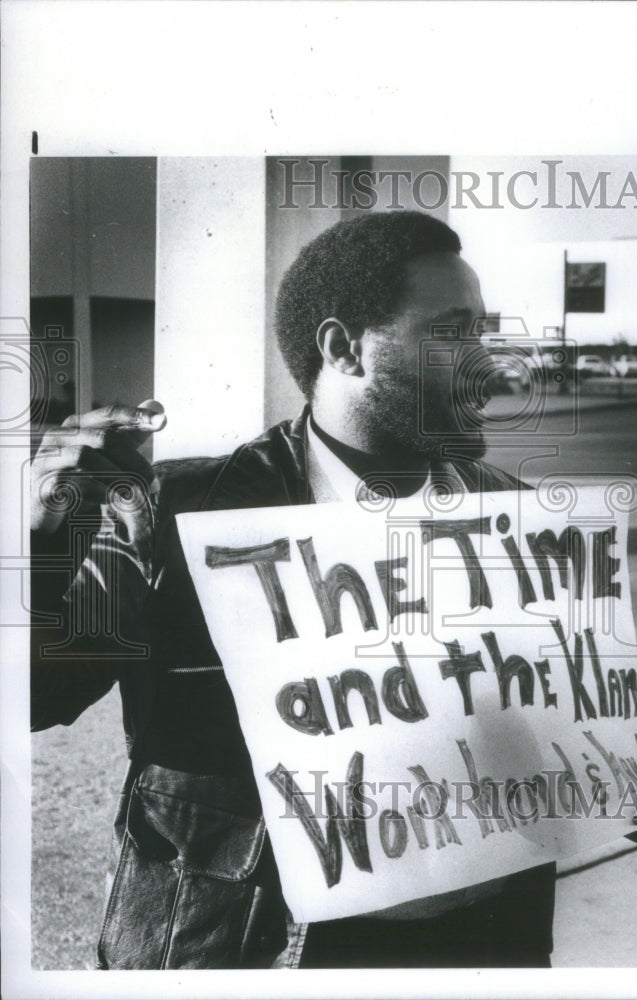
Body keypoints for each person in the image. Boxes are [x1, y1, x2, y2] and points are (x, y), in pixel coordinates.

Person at [30, 210, 556, 970]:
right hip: (249, 943)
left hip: (481, 942)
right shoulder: (175, 514)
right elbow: (36, 698)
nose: (490, 364)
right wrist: (37, 541)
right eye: (453, 332)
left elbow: (580, 724)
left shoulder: (510, 513)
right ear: (344, 348)